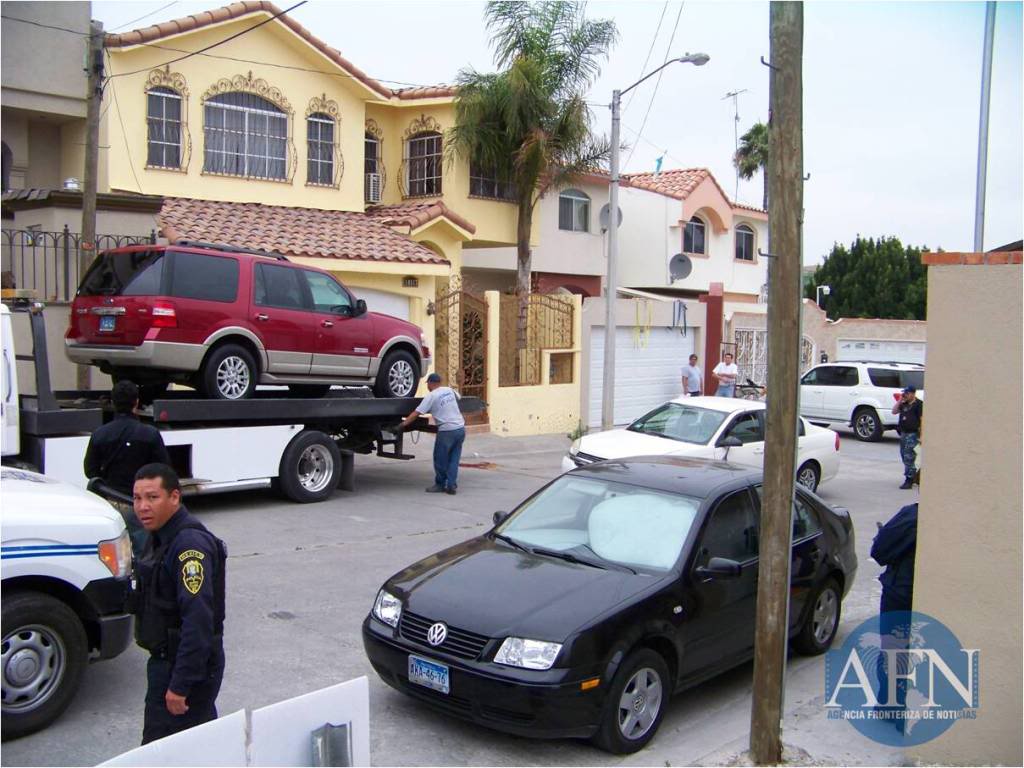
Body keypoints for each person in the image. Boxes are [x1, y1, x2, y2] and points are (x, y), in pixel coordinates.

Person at [132, 463, 226, 745]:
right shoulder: (160, 536)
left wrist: (180, 685)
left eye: (152, 497)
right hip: (168, 660)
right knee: (196, 743)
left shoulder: (188, 547)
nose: (142, 507)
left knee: (163, 749)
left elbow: (198, 623)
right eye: (137, 498)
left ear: (174, 497)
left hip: (182, 667)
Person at [84, 380, 170, 549]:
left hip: (108, 503)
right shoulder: (149, 434)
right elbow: (164, 470)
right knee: (144, 553)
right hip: (138, 505)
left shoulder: (100, 434)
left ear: (112, 402)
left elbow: (90, 470)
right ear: (136, 402)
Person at [399, 372, 465, 495]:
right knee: (454, 458)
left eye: (428, 384)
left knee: (440, 458)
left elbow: (416, 413)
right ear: (439, 382)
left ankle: (440, 484)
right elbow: (459, 397)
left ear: (430, 383)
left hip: (447, 431)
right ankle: (451, 484)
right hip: (460, 428)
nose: (428, 386)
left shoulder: (431, 396)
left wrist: (402, 425)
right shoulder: (448, 390)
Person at [891, 385, 923, 489]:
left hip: (913, 434)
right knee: (904, 456)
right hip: (903, 433)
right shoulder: (903, 404)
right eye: (905, 393)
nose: (906, 395)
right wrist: (900, 400)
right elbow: (894, 411)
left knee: (909, 456)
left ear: (913, 393)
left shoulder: (919, 404)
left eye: (907, 393)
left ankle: (909, 479)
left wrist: (921, 435)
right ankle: (914, 476)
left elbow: (922, 420)